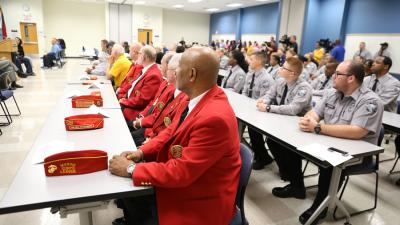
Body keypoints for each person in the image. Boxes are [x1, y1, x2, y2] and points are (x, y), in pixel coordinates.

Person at [109, 47, 241, 225]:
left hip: (199, 202)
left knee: (133, 193)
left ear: (192, 74)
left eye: (179, 68)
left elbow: (182, 171)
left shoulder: (214, 118)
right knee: (129, 194)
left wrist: (132, 169)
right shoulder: (192, 99)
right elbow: (170, 133)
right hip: (188, 183)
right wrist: (141, 152)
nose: (173, 73)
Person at [298, 60, 383, 225]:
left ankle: (319, 208)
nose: (333, 77)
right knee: (291, 146)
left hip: (357, 154)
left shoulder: (370, 101)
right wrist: (311, 120)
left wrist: (318, 128)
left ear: (351, 78)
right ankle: (295, 185)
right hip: (329, 143)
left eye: (338, 74)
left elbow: (357, 131)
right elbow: (315, 113)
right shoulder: (332, 93)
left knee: (329, 165)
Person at [256, 57, 312, 182]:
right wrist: (263, 101)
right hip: (281, 121)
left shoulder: (304, 88)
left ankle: (293, 178)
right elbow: (269, 95)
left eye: (284, 68)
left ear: (292, 73)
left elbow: (293, 110)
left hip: (297, 127)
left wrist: (268, 107)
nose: (280, 69)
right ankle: (285, 171)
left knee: (282, 146)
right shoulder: (280, 81)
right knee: (270, 140)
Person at [243, 52, 276, 169]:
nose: (249, 61)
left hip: (260, 111)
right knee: (252, 134)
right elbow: (245, 92)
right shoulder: (251, 74)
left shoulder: (266, 78)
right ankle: (258, 154)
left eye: (251, 59)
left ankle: (263, 157)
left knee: (255, 134)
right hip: (249, 108)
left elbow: (264, 99)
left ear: (258, 62)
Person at [119, 45, 162, 121]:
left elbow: (142, 100)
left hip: (133, 111)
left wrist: (124, 101)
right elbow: (131, 87)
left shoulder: (153, 75)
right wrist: (122, 97)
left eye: (139, 54)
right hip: (128, 104)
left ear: (144, 57)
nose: (138, 56)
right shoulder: (145, 69)